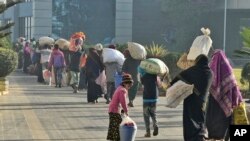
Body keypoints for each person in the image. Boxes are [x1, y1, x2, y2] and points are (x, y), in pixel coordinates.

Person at [170, 54, 212, 141]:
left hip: (191, 100)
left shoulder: (192, 70)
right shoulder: (210, 73)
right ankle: (200, 136)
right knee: (200, 120)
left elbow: (176, 79)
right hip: (203, 101)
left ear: (197, 61)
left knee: (190, 120)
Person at [206, 50, 243, 141]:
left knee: (213, 129)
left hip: (214, 104)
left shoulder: (211, 69)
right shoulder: (228, 70)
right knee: (224, 128)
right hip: (226, 106)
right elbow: (235, 88)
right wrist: (238, 100)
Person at [107, 73, 133, 141]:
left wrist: (122, 111)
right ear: (124, 83)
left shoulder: (119, 88)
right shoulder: (122, 90)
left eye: (130, 85)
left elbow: (119, 101)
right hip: (115, 111)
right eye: (128, 84)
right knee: (116, 128)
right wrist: (126, 111)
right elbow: (123, 102)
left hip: (113, 110)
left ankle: (113, 139)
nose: (129, 86)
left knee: (114, 127)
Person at [139, 67, 160, 137]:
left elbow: (141, 82)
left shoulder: (143, 76)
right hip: (154, 97)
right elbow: (159, 84)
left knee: (146, 115)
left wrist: (141, 75)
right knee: (153, 113)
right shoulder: (155, 75)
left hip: (146, 98)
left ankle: (148, 132)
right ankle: (155, 125)